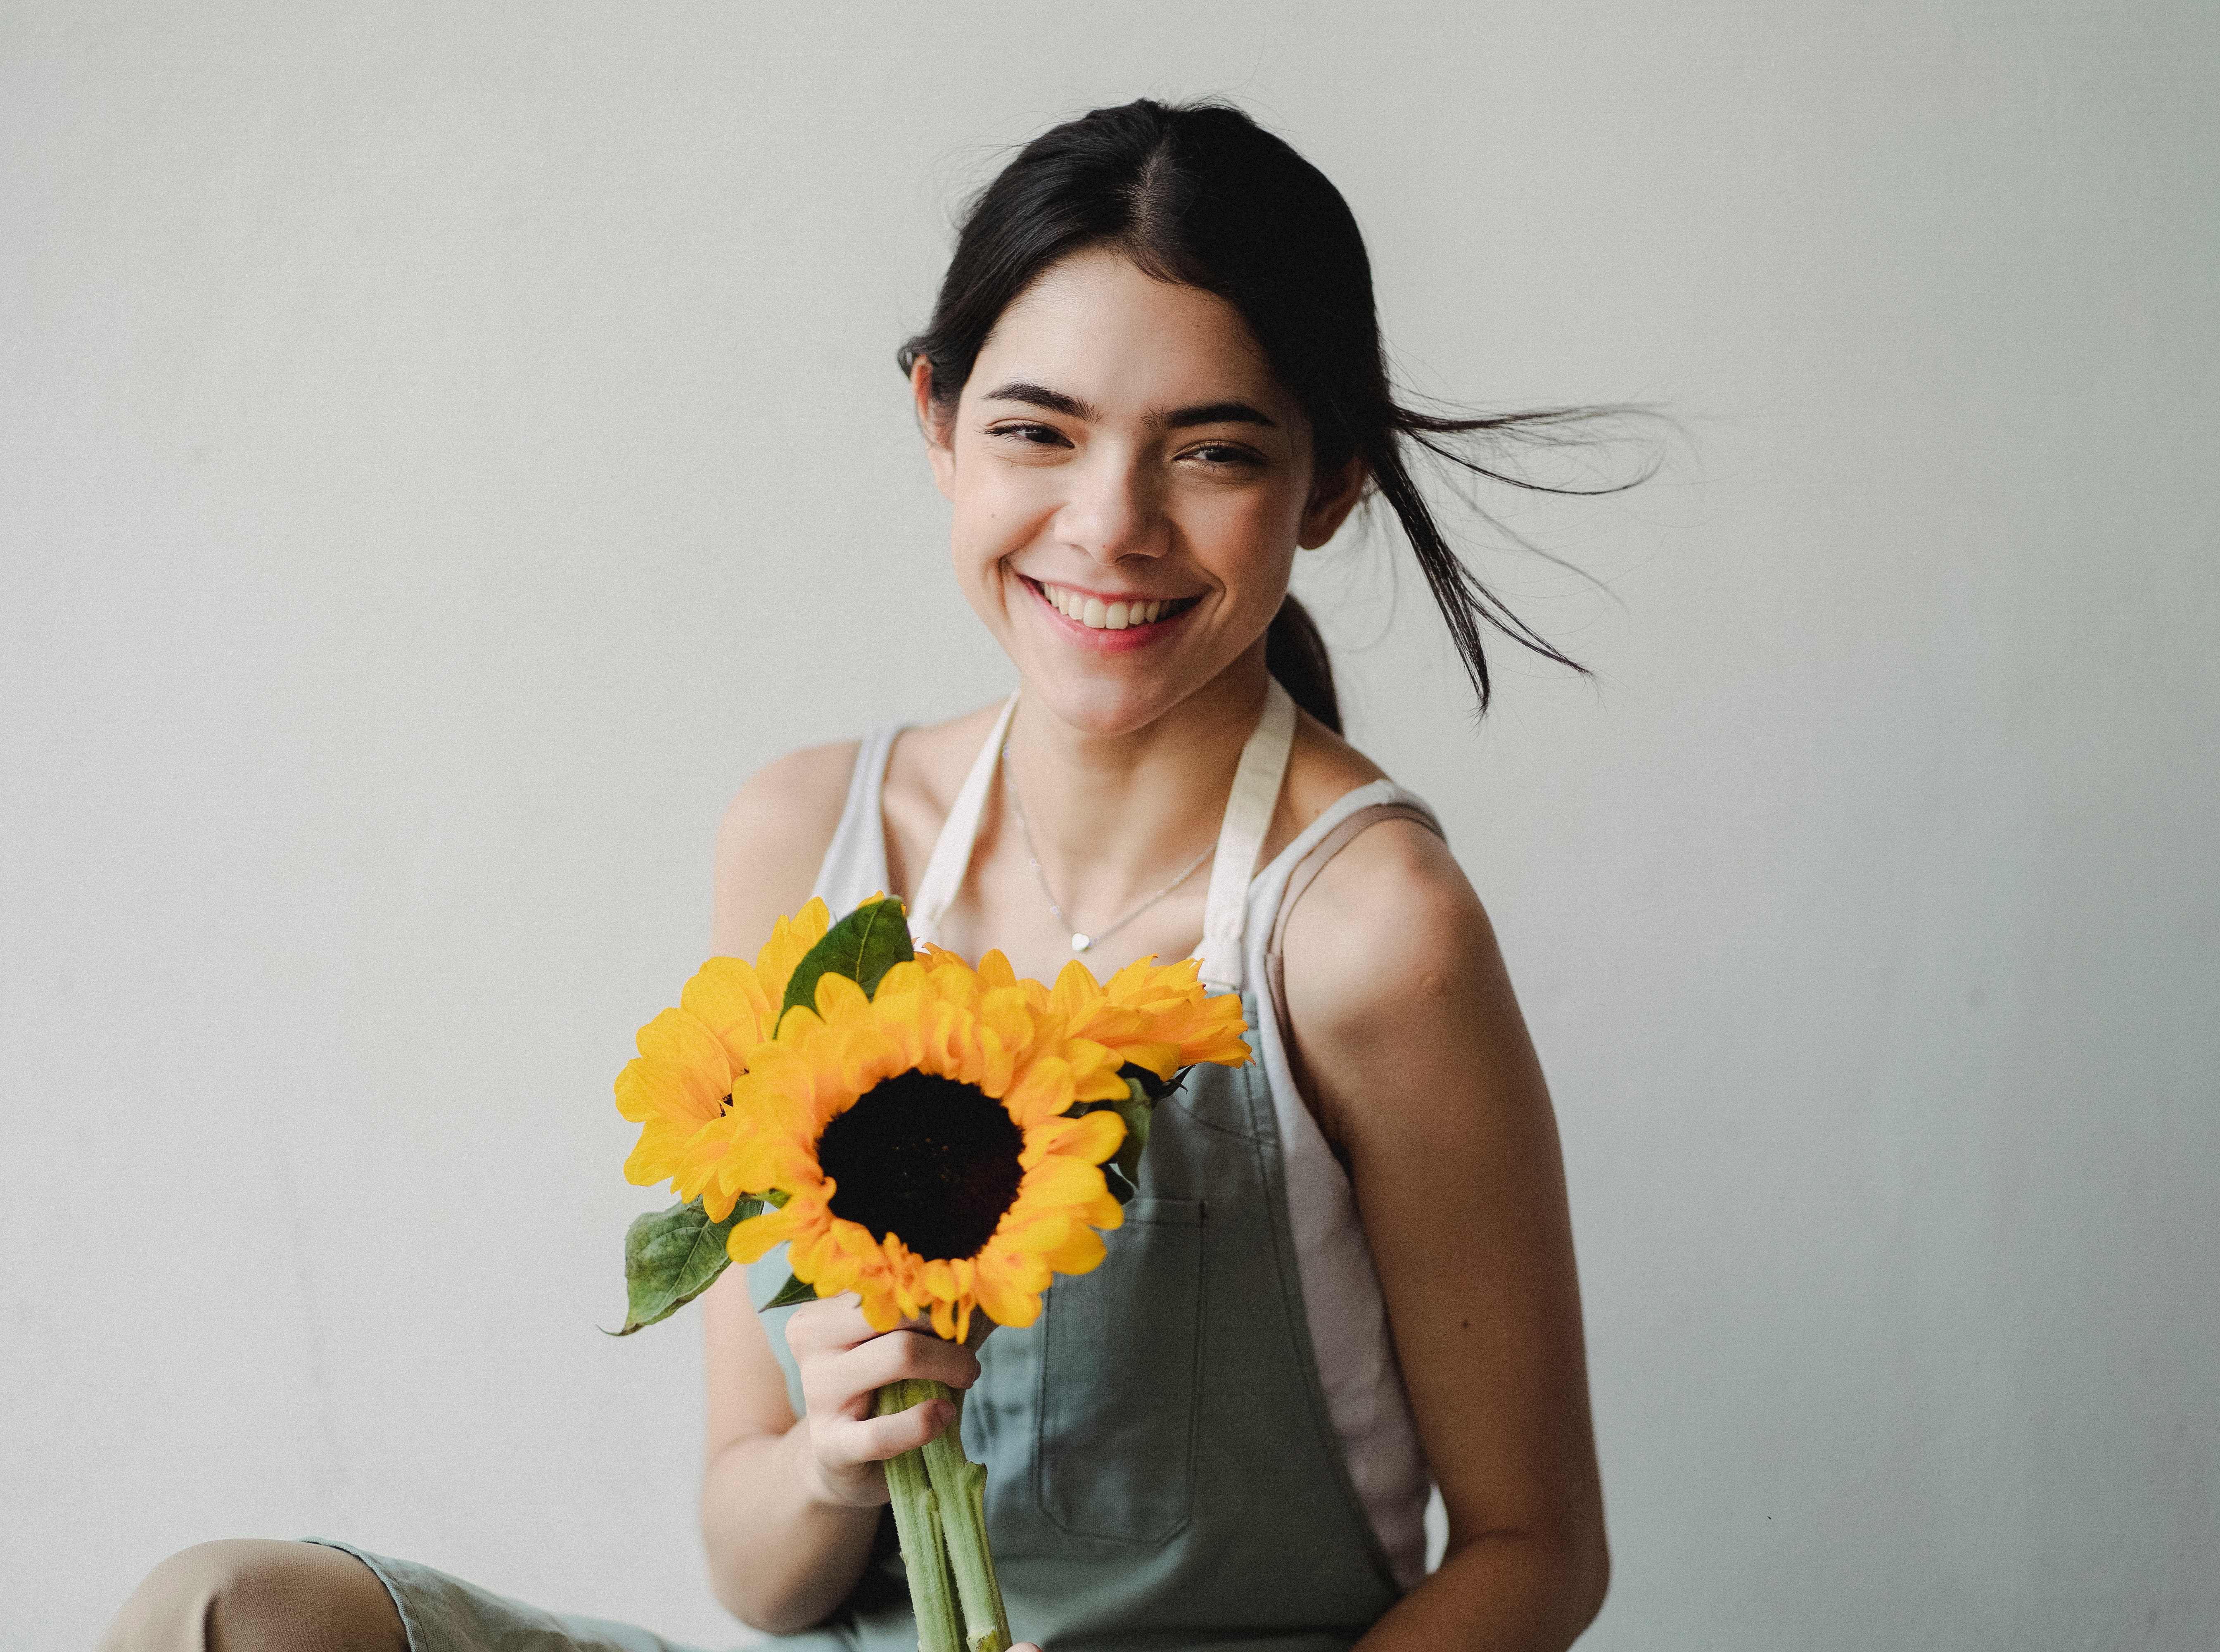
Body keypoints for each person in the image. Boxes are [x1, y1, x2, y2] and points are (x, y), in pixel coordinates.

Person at [102, 98, 1611, 1652]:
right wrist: (836, 1453)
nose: (1110, 526)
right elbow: (755, 1578)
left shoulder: (1369, 930)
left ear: (1331, 481)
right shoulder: (812, 841)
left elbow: (1535, 1551)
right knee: (225, 1617)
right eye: (1038, 429)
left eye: (1212, 451)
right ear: (936, 421)